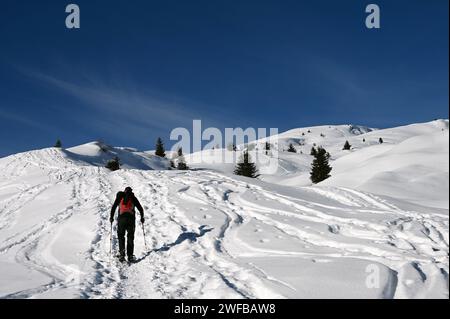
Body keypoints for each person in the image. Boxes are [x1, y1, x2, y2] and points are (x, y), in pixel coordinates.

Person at [110, 187, 145, 262]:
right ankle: (130, 256)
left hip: (121, 219)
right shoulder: (133, 198)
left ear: (124, 191)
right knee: (130, 237)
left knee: (121, 236)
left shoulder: (120, 197)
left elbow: (113, 207)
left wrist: (111, 217)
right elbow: (140, 208)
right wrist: (142, 218)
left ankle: (122, 255)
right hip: (131, 220)